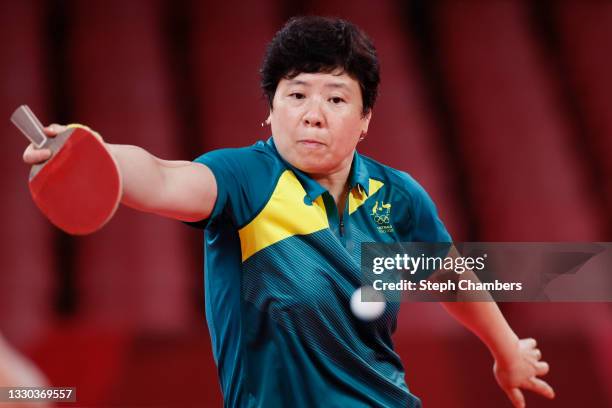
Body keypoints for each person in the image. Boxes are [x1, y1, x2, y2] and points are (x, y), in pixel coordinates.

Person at [23, 16, 554, 408]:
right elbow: (162, 175)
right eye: (296, 94)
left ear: (365, 120)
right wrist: (93, 155)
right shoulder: (245, 181)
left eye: (337, 100)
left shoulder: (398, 196)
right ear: (271, 109)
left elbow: (446, 273)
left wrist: (506, 350)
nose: (313, 115)